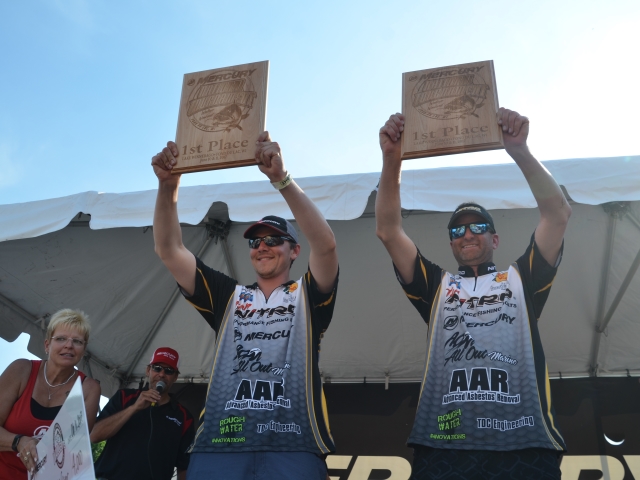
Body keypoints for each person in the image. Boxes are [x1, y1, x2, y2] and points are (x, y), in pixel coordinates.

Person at [376, 108, 572, 479]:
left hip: (524, 442)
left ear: (494, 239)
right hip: (444, 446)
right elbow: (388, 230)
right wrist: (391, 160)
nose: (467, 234)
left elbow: (558, 214)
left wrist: (519, 150)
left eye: (478, 227)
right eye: (457, 231)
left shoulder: (521, 279)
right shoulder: (438, 287)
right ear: (451, 243)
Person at [151, 132, 339, 480]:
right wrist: (168, 186)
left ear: (294, 251)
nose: (262, 246)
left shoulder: (307, 295)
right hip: (220, 443)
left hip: (293, 444)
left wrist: (281, 180)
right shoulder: (229, 296)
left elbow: (326, 246)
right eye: (255, 241)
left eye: (274, 240)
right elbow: (169, 250)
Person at [0, 308, 101, 478]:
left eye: (77, 341)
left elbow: (72, 455)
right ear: (47, 345)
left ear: (83, 350)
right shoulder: (21, 370)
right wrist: (18, 441)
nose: (69, 345)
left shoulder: (88, 389)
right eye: (61, 339)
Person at [91, 347, 195, 480]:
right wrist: (134, 408)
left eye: (168, 371)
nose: (161, 374)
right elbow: (94, 435)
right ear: (148, 370)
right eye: (157, 368)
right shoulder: (124, 397)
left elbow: (184, 465)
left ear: (175, 377)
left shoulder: (183, 417)